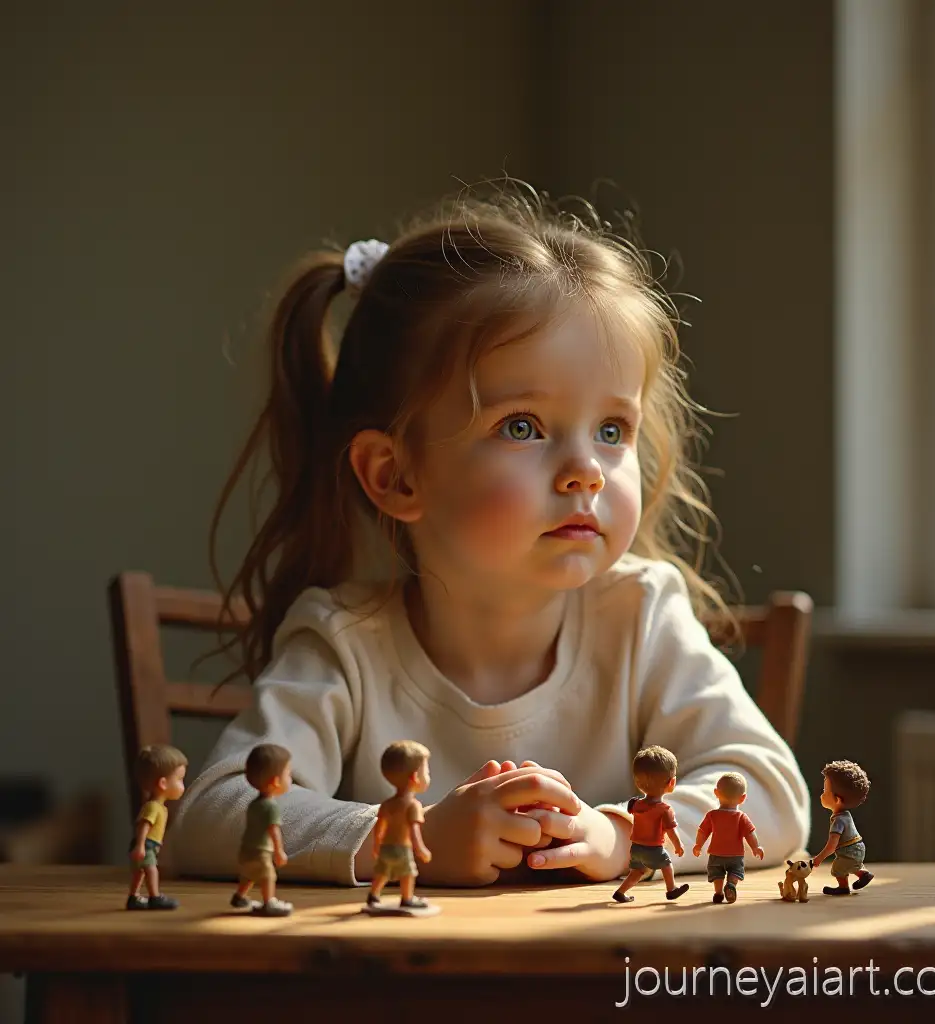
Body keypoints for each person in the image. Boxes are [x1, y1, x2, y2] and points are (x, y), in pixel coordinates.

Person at [168, 179, 810, 890]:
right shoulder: (344, 641)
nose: (586, 473)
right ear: (395, 476)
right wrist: (407, 835)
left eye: (611, 430)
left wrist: (624, 832)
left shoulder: (642, 616)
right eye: (522, 427)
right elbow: (212, 812)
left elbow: (772, 789)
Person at [364, 740, 435, 915]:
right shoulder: (413, 805)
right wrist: (421, 849)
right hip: (402, 849)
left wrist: (376, 845)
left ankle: (373, 894)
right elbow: (413, 831)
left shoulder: (387, 804)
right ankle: (407, 898)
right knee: (408, 873)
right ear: (414, 777)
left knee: (382, 872)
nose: (428, 775)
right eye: (426, 771)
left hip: (386, 848)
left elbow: (379, 826)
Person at [612, 746, 688, 903]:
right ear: (671, 783)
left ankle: (620, 892)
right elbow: (671, 830)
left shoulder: (635, 804)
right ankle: (671, 889)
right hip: (653, 848)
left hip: (636, 848)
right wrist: (678, 845)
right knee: (667, 865)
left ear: (638, 783)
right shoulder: (664, 809)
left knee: (637, 872)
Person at [231, 743, 294, 915]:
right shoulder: (270, 807)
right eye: (288, 774)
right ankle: (269, 903)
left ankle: (239, 896)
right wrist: (279, 851)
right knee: (268, 876)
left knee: (249, 875)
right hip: (261, 851)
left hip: (246, 849)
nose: (291, 779)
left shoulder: (254, 804)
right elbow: (273, 830)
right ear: (275, 781)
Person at [128, 744, 188, 909]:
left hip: (148, 846)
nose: (182, 785)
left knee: (140, 872)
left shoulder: (159, 807)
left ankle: (133, 897)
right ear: (163, 783)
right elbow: (143, 826)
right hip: (145, 845)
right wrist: (140, 846)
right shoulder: (153, 807)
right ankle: (155, 897)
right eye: (179, 779)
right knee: (151, 870)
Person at [692, 771, 764, 903]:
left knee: (717, 873)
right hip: (735, 855)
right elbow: (750, 833)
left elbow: (702, 831)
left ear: (716, 793)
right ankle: (731, 884)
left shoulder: (712, 815)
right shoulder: (741, 817)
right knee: (735, 872)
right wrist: (756, 847)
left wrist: (698, 845)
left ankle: (718, 892)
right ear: (743, 798)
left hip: (716, 853)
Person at [811, 760, 873, 895]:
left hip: (849, 850)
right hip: (858, 847)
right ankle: (864, 874)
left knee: (838, 868)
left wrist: (818, 859)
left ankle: (843, 887)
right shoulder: (846, 815)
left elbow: (831, 846)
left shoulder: (838, 821)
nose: (821, 795)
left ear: (837, 800)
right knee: (850, 863)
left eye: (825, 791)